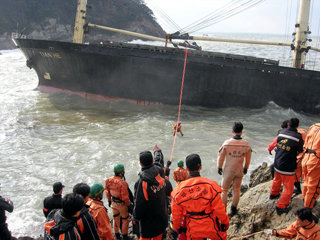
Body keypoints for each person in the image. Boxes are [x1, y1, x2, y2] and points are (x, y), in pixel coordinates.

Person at [171, 154, 229, 240]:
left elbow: (176, 214)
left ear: (187, 169)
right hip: (211, 224)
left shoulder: (178, 191)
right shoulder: (211, 186)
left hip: (192, 227)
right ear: (200, 167)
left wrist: (176, 227)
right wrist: (225, 222)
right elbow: (219, 209)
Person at [217, 122, 252, 216]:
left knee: (224, 190)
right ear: (241, 132)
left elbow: (221, 157)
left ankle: (223, 211)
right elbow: (248, 158)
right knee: (236, 189)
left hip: (228, 170)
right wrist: (246, 168)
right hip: (239, 169)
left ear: (232, 131)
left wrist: (219, 167)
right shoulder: (246, 144)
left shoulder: (227, 143)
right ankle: (233, 209)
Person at [270, 118, 303, 215]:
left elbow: (274, 144)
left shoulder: (281, 133)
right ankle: (280, 206)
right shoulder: (298, 137)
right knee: (289, 189)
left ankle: (273, 194)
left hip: (277, 163)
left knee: (277, 179)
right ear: (297, 126)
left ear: (288, 124)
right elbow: (301, 150)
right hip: (288, 166)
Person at [134, 151, 168, 240]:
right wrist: (157, 150)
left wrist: (136, 218)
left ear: (140, 164)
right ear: (152, 160)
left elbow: (139, 205)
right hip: (161, 215)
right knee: (158, 236)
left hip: (148, 222)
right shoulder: (160, 171)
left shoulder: (141, 182)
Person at [105, 164, 131, 240]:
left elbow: (107, 192)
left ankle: (117, 235)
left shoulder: (108, 180)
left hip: (113, 202)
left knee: (115, 218)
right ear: (121, 173)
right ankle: (125, 236)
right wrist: (129, 205)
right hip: (121, 204)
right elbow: (125, 197)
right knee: (125, 219)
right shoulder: (123, 183)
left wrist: (109, 200)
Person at [302, 123, 320, 209]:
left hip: (306, 158)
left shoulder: (314, 126)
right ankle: (307, 208)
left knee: (307, 180)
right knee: (314, 187)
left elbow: (306, 141)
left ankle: (304, 198)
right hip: (316, 162)